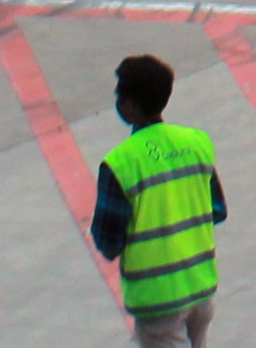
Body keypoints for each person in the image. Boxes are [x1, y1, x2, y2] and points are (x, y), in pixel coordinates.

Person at [92, 52, 228, 344]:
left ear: (128, 106)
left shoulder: (121, 163)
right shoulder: (196, 143)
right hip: (201, 286)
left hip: (159, 299)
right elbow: (217, 210)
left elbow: (108, 241)